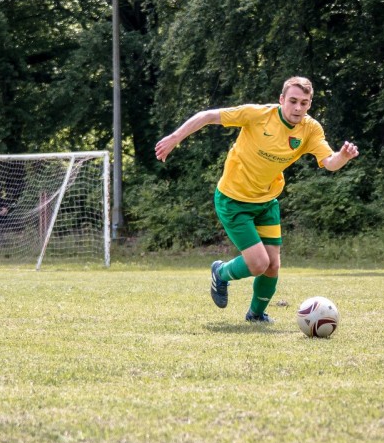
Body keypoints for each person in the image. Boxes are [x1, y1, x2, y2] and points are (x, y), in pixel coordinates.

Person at [154, 76, 359, 323]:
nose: (297, 108)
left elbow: (330, 163)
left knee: (273, 265)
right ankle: (220, 272)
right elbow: (207, 116)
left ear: (309, 104)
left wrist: (343, 157)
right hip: (233, 200)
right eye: (292, 101)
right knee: (259, 263)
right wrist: (175, 138)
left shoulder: (310, 129)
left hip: (267, 201)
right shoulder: (257, 115)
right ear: (281, 99)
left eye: (304, 103)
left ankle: (256, 314)